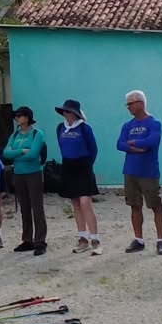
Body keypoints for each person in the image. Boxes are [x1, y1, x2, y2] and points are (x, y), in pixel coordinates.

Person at [117, 90, 162, 255]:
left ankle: (160, 240)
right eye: (127, 104)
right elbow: (120, 144)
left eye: (131, 103)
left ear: (141, 103)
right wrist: (137, 147)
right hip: (130, 171)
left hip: (148, 172)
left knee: (155, 205)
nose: (128, 107)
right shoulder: (127, 125)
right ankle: (138, 239)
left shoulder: (154, 123)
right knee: (134, 206)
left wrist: (133, 143)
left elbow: (152, 141)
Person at [54, 100, 100, 254]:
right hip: (68, 166)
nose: (65, 114)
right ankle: (83, 239)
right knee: (75, 204)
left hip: (83, 165)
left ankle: (95, 240)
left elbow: (93, 149)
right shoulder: (60, 128)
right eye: (64, 111)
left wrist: (87, 165)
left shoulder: (84, 128)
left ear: (75, 113)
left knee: (85, 202)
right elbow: (62, 146)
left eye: (68, 111)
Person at [2, 107, 48, 256]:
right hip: (19, 174)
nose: (17, 118)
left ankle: (40, 241)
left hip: (34, 173)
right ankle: (27, 239)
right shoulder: (15, 134)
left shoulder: (37, 134)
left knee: (37, 207)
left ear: (27, 117)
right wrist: (21, 151)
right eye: (16, 116)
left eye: (19, 115)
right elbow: (6, 153)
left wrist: (15, 155)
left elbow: (33, 154)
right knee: (24, 207)